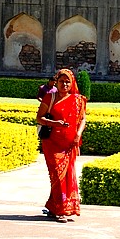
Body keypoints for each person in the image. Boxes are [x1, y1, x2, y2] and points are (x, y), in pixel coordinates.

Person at [36, 68, 87, 222]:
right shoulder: (49, 97)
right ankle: (61, 210)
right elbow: (39, 118)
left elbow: (83, 119)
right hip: (51, 142)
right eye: (61, 81)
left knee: (66, 176)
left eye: (67, 82)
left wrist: (78, 134)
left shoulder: (78, 100)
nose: (64, 84)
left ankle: (54, 207)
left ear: (72, 83)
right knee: (57, 175)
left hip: (70, 143)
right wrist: (54, 123)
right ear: (56, 82)